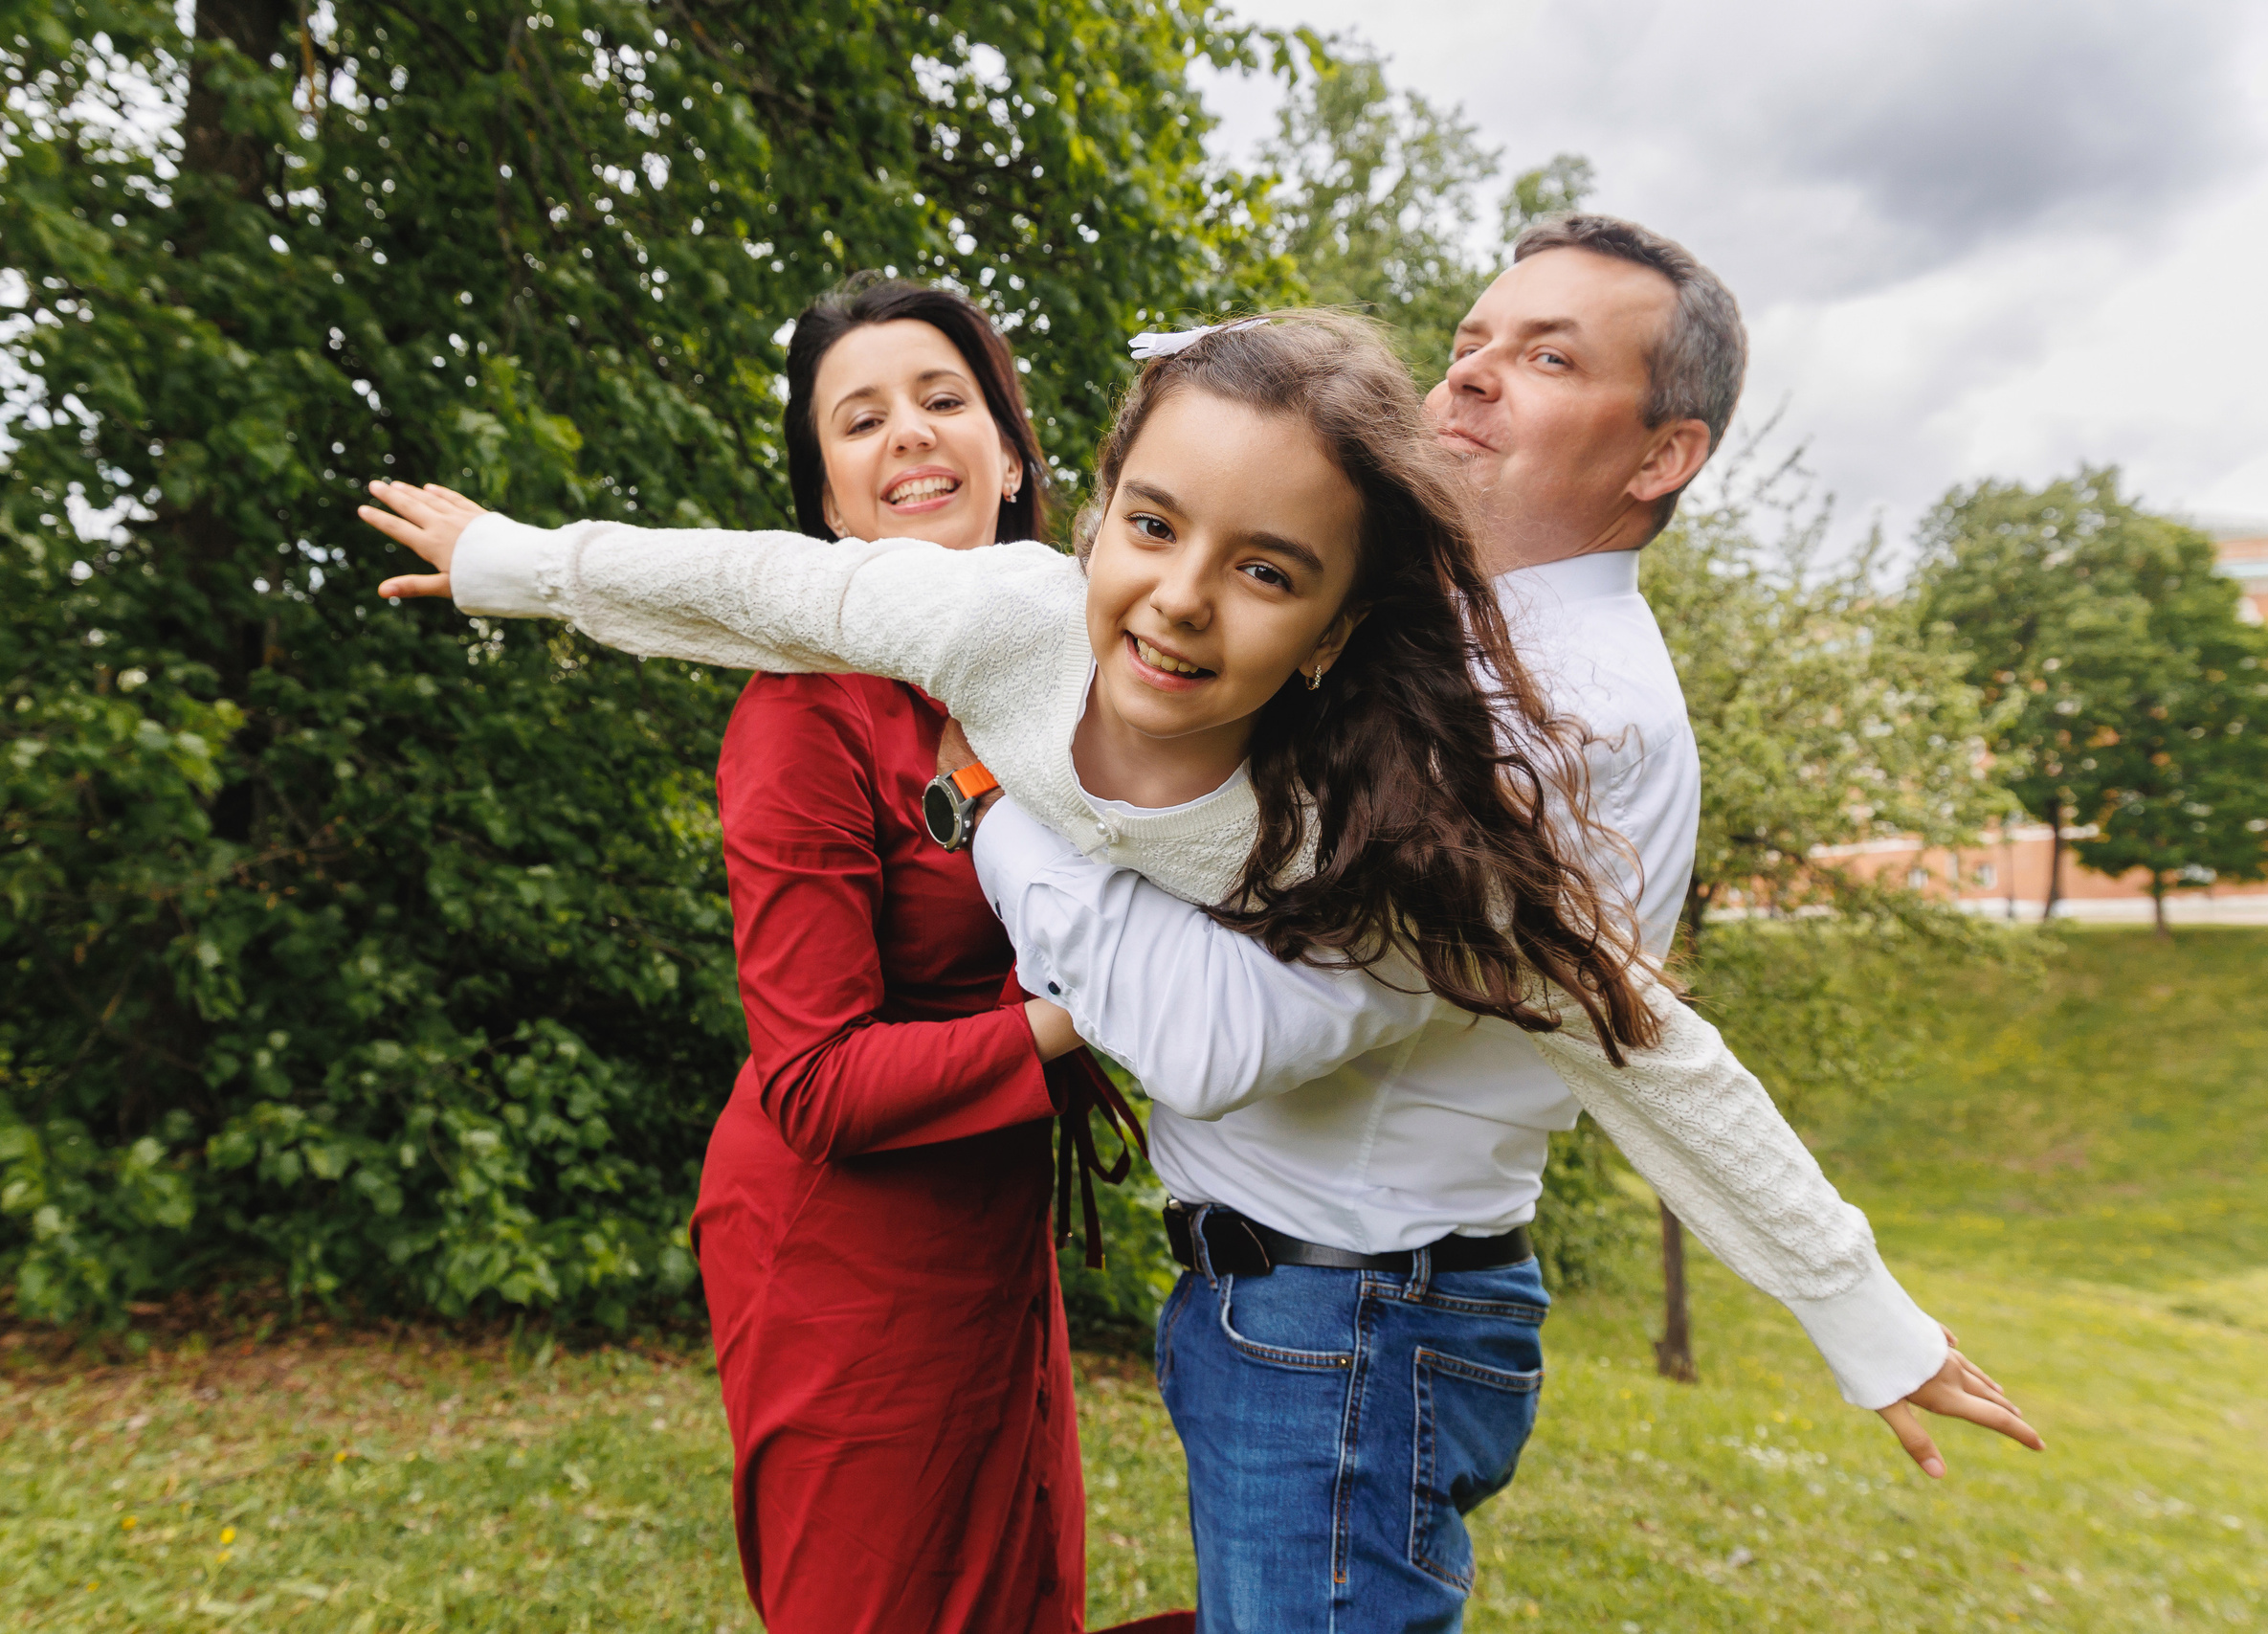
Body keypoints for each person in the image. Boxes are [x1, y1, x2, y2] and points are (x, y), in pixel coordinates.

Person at [360, 306, 2036, 1634]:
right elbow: (753, 581)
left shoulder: (1367, 844)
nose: (1173, 605)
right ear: (1089, 512)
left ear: (1329, 631)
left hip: (1237, 1270)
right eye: (1151, 526)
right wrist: (516, 565)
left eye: (1265, 570)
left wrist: (1859, 1312)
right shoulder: (1000, 621)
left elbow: (1643, 1044)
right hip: (887, 1230)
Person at [941, 220, 2037, 1630]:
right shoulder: (1439, 652)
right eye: (1470, 341)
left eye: (1545, 357)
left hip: (1349, 1327)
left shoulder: (1551, 721)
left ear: (1661, 458)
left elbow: (1224, 1037)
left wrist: (1000, 795)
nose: (1467, 378)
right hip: (1322, 1318)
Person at [591, 275, 1130, 1634]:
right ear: (828, 502)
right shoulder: (807, 717)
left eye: (945, 400)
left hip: (994, 1231)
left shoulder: (1075, 685)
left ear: (1010, 457)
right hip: (845, 1256)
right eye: (861, 418)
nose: (909, 435)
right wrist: (1091, 1011)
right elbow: (815, 1082)